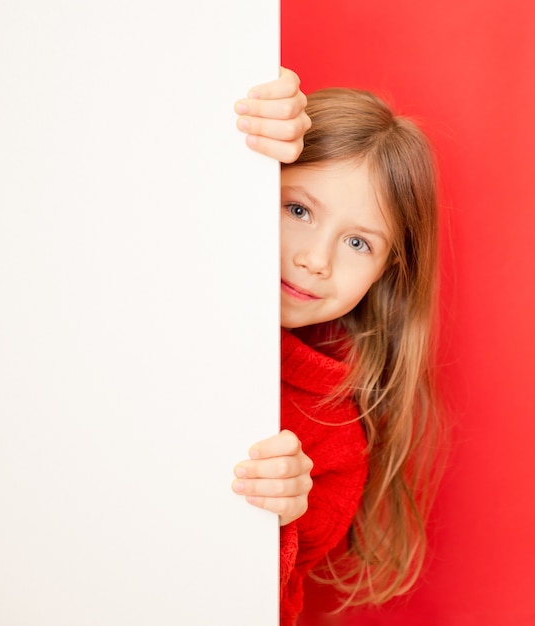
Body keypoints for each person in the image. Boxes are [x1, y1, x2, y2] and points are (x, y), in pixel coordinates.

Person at [231, 69, 442, 625]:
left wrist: (281, 520)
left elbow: (267, 608)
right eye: (297, 210)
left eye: (357, 242)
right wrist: (242, 106)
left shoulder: (336, 443)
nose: (316, 259)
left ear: (386, 271)